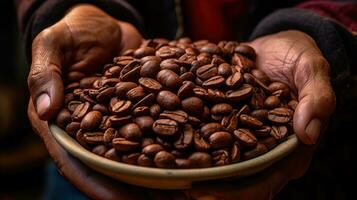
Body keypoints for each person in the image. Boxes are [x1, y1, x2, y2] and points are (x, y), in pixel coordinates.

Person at [17, 0, 356, 199]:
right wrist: (68, 6)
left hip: (321, 169)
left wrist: (319, 33)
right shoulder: (114, 107)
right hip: (91, 173)